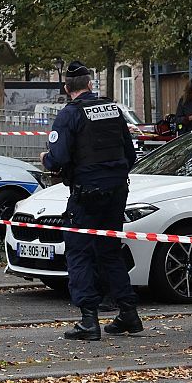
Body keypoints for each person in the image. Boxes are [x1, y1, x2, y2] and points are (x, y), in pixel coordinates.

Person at [40, 60, 141, 341]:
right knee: (110, 250)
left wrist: (46, 159)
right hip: (118, 191)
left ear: (66, 88)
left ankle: (88, 319)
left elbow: (57, 159)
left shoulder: (68, 115)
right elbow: (130, 155)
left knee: (79, 252)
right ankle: (128, 313)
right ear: (89, 85)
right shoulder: (113, 110)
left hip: (86, 194)